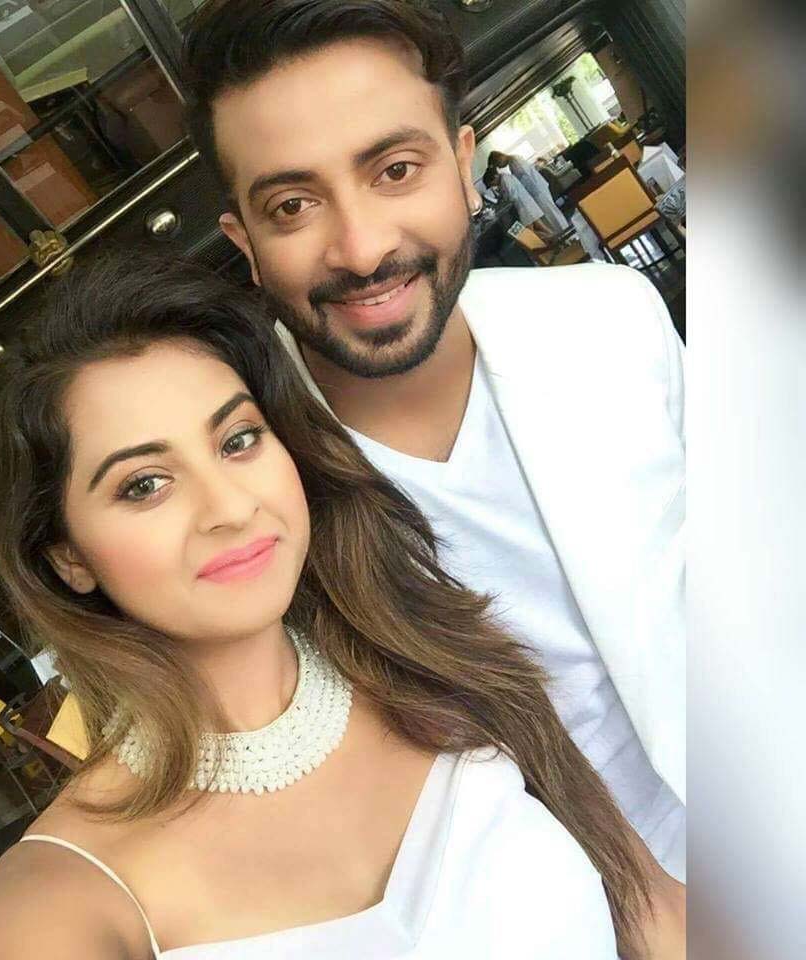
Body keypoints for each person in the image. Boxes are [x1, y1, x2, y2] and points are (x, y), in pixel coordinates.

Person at [0, 251, 658, 958]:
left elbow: (655, 917)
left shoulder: (436, 658)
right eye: (145, 484)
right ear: (68, 556)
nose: (231, 507)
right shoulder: (55, 904)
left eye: (238, 440)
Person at [181, 0, 685, 904]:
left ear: (463, 164)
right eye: (292, 205)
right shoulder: (243, 497)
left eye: (395, 170)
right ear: (245, 245)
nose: (363, 247)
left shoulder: (611, 322)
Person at [488, 149, 604, 259]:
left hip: (536, 191)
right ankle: (563, 237)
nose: (499, 168)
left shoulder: (515, 162)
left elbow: (527, 178)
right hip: (536, 191)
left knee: (552, 215)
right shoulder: (513, 161)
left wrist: (531, 194)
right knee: (550, 216)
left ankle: (566, 236)